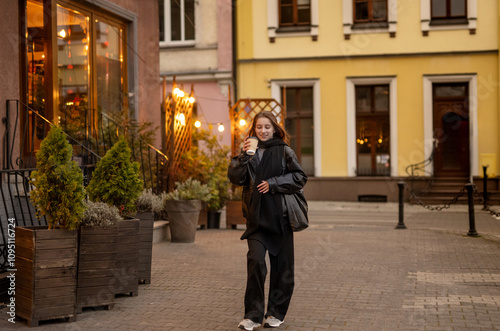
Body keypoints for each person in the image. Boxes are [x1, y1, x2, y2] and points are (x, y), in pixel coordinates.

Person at [227, 111, 308, 330]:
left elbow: (300, 177)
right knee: (256, 262)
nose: (263, 131)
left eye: (267, 127)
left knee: (282, 268)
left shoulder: (284, 151)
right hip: (256, 218)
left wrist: (274, 183)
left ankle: (275, 313)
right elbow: (235, 178)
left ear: (275, 129)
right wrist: (243, 157)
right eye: (259, 127)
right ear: (254, 130)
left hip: (281, 217)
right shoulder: (249, 152)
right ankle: (252, 316)